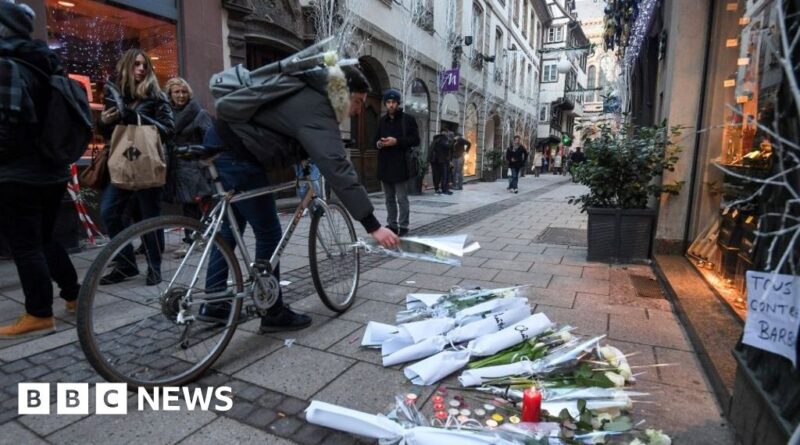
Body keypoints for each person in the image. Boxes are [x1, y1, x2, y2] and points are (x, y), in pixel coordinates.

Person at [198, 65, 400, 332]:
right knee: (269, 232)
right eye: (359, 101)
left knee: (228, 230)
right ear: (342, 92)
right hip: (238, 155)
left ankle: (214, 302)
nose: (359, 110)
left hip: (222, 144)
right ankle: (272, 312)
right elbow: (336, 166)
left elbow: (282, 124)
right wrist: (372, 225)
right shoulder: (319, 106)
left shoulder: (306, 88)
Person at [0, 1, 81, 338]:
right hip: (53, 168)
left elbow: (7, 125)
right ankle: (74, 294)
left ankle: (38, 313)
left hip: (19, 172)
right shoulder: (47, 63)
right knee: (45, 237)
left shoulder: (6, 64)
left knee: (26, 245)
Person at [96, 48, 174, 286]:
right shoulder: (114, 94)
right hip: (121, 164)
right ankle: (126, 263)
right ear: (126, 67)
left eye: (145, 65)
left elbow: (168, 130)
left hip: (147, 163)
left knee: (148, 218)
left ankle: (154, 267)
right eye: (136, 65)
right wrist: (103, 122)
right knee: (109, 212)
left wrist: (137, 118)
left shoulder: (156, 95)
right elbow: (108, 133)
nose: (141, 69)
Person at [163, 77, 213, 253]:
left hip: (195, 166)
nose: (181, 95)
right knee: (188, 205)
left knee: (194, 204)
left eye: (184, 92)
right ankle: (198, 236)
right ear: (170, 94)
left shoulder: (199, 113)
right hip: (176, 166)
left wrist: (197, 153)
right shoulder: (167, 113)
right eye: (177, 92)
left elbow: (210, 140)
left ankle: (194, 239)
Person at [374, 88, 420, 236]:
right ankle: (392, 225)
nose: (391, 105)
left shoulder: (408, 119)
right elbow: (374, 140)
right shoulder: (382, 120)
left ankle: (404, 225)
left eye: (393, 102)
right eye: (388, 102)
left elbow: (416, 140)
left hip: (401, 165)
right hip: (385, 164)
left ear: (398, 103)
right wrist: (380, 144)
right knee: (389, 198)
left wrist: (396, 141)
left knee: (401, 198)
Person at [429, 128, 452, 195]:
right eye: (447, 133)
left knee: (436, 175)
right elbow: (448, 147)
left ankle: (437, 189)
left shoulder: (435, 139)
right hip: (442, 160)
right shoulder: (443, 138)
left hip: (434, 160)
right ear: (444, 132)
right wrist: (452, 141)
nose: (447, 134)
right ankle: (444, 190)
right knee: (444, 175)